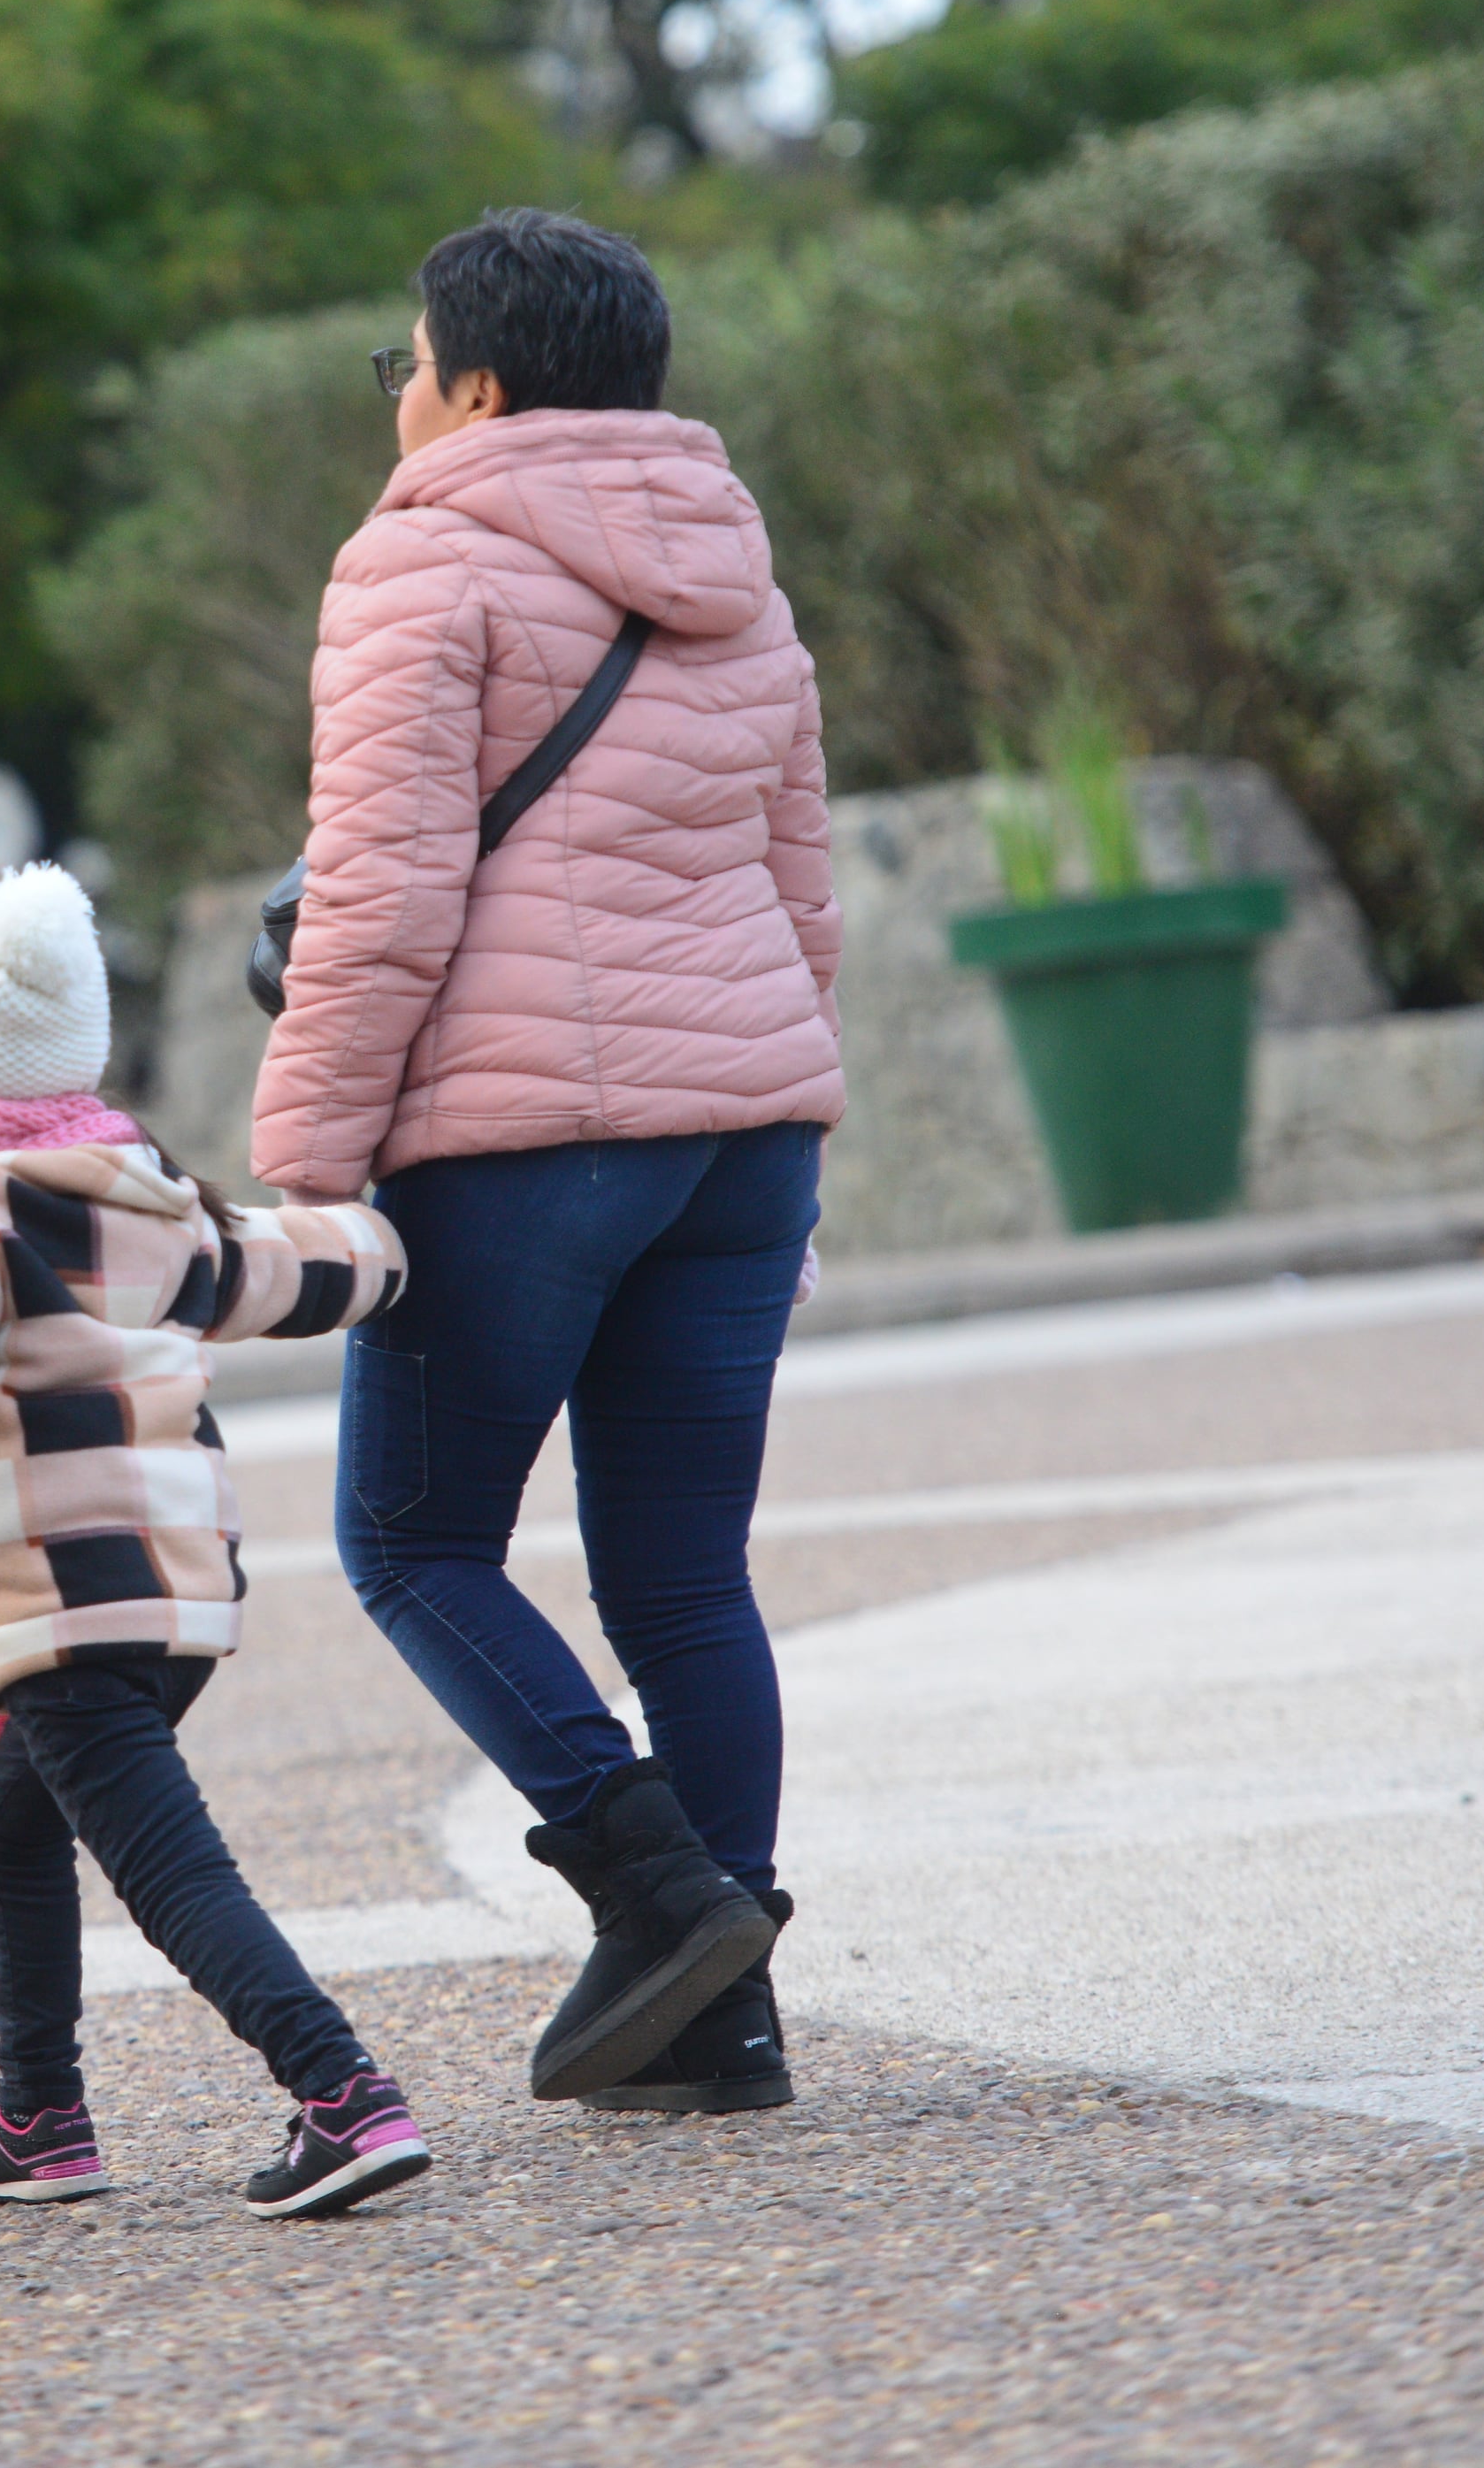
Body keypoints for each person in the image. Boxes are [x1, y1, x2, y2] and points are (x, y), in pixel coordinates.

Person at [256, 208, 845, 2119]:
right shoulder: (735, 572)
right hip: (743, 1136)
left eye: (406, 366)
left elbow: (382, 899)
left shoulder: (418, 567)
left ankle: (651, 1887)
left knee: (412, 1540)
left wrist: (311, 1166)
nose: (399, 400)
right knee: (683, 1579)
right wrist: (787, 1142)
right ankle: (721, 2020)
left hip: (520, 1149)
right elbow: (797, 893)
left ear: (479, 386)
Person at [0, 863, 431, 2220]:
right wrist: (400, 1227)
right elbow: (304, 1269)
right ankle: (40, 2117)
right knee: (16, 1832)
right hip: (182, 1596)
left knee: (169, 1868)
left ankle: (344, 2094)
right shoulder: (145, 1198)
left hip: (61, 1598)